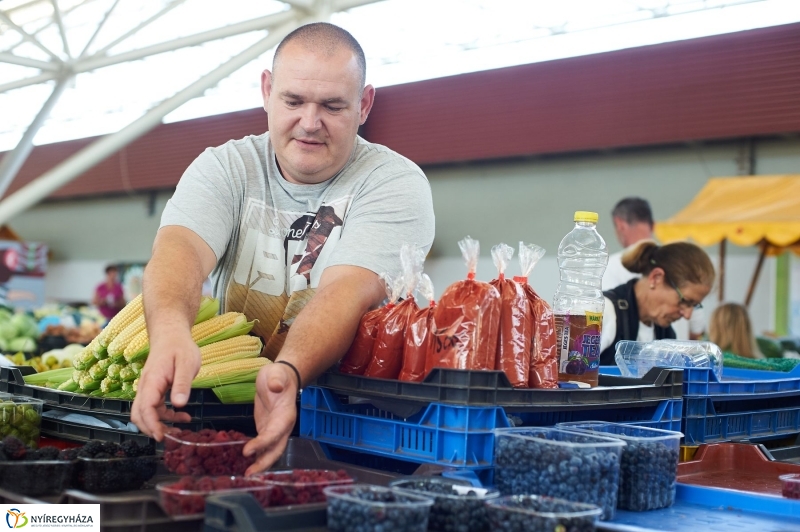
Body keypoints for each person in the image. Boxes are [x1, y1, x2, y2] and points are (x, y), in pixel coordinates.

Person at [130, 23, 435, 473]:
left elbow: (347, 291)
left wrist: (288, 371)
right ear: (268, 90)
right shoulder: (226, 168)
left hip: (354, 426)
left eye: (332, 106)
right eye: (293, 101)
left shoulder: (394, 183)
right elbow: (181, 251)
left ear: (364, 104)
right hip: (236, 413)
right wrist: (171, 330)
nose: (310, 123)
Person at [602, 197, 706, 341]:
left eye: (689, 303)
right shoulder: (680, 263)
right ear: (654, 225)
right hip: (675, 359)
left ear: (620, 224)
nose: (686, 313)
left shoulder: (610, 266)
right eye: (685, 302)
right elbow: (697, 330)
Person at [599, 240, 715, 365]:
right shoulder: (604, 313)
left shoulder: (665, 332)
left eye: (694, 305)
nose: (687, 315)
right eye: (685, 301)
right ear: (656, 278)